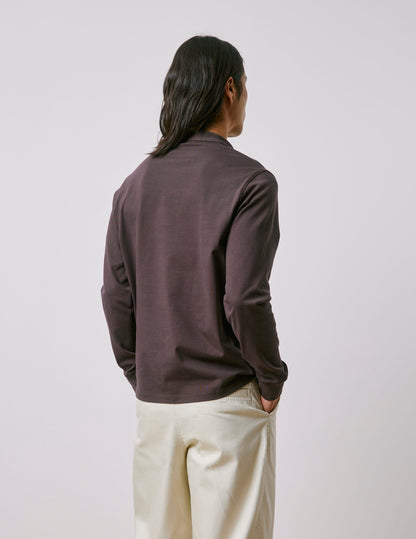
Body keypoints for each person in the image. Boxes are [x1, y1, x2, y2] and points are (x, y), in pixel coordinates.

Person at [100, 34, 289, 539]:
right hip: (226, 402)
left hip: (156, 408)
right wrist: (271, 379)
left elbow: (116, 296)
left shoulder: (133, 186)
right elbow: (244, 297)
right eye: (245, 85)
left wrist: (140, 373)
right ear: (229, 89)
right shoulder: (251, 182)